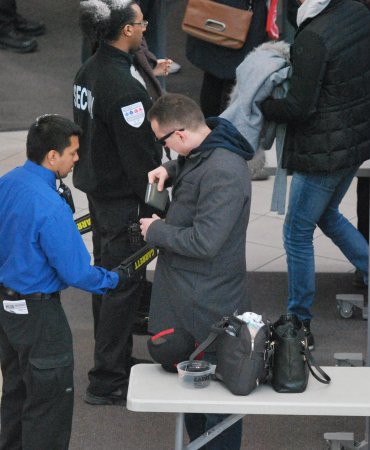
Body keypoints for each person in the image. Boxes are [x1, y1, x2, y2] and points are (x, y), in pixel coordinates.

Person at [0, 115, 124, 449]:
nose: (77, 158)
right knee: (49, 408)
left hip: (8, 314)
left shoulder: (7, 183)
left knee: (16, 394)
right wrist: (114, 280)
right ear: (52, 157)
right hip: (41, 318)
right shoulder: (51, 206)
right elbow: (76, 272)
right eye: (72, 152)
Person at [140, 93, 254, 449]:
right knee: (193, 396)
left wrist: (155, 231)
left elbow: (206, 242)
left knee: (216, 406)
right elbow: (195, 162)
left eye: (163, 143)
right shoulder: (206, 145)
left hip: (208, 307)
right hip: (192, 299)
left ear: (181, 135)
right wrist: (171, 170)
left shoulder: (225, 172)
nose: (165, 150)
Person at [259, 0, 370, 349]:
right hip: (354, 141)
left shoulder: (314, 37)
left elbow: (298, 106)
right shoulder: (357, 13)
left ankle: (298, 317)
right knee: (327, 214)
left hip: (323, 151)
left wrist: (260, 101)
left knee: (296, 230)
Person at [73, 0, 163, 406]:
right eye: (141, 23)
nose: (145, 28)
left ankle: (115, 362)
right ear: (127, 30)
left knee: (107, 278)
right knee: (121, 284)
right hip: (123, 200)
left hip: (98, 190)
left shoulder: (87, 70)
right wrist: (155, 205)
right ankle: (108, 377)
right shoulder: (124, 87)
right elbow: (141, 158)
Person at [186, 0, 268, 117]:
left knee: (214, 77)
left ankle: (213, 126)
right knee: (234, 77)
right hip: (240, 16)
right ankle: (221, 127)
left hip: (212, 13)